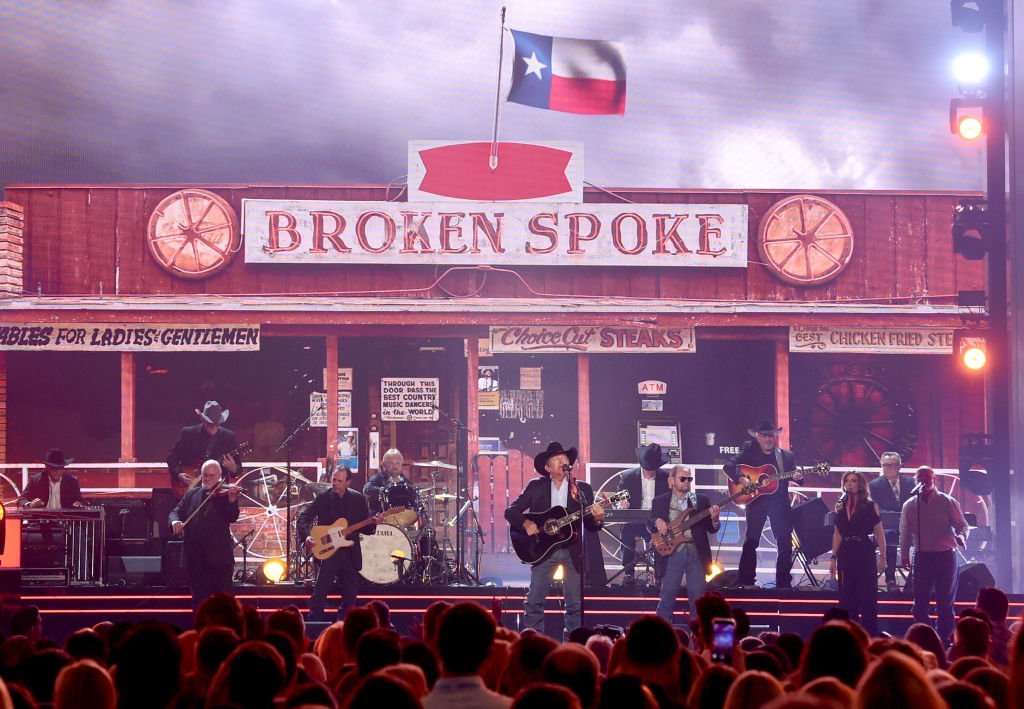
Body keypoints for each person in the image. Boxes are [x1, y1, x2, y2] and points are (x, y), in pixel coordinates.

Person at [505, 441, 605, 639]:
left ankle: (573, 647)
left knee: (575, 605)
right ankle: (533, 645)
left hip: (574, 551)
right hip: (542, 550)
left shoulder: (582, 489)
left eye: (565, 458)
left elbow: (591, 525)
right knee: (534, 602)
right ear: (547, 467)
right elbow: (511, 511)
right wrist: (526, 523)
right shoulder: (536, 487)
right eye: (557, 459)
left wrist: (599, 518)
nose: (563, 461)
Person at [723, 420, 803, 588]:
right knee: (751, 541)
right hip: (756, 501)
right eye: (764, 436)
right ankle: (746, 581)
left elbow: (797, 478)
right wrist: (742, 479)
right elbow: (728, 466)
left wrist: (798, 477)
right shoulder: (749, 449)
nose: (768, 439)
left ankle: (783, 583)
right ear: (757, 436)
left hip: (779, 503)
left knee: (784, 542)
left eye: (771, 436)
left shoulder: (786, 456)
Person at [297, 465, 378, 622]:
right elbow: (303, 517)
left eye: (339, 481)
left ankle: (344, 624)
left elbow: (366, 529)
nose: (334, 483)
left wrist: (374, 523)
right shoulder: (322, 498)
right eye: (333, 480)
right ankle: (315, 624)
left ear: (348, 482)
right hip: (328, 551)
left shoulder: (358, 499)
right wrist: (307, 536)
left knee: (350, 595)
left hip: (350, 552)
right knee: (320, 592)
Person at [900, 465, 970, 644]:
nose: (923, 480)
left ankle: (944, 639)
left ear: (934, 480)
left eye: (927, 476)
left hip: (945, 556)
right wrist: (905, 555)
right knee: (920, 604)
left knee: (944, 603)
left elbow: (963, 525)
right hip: (922, 556)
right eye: (920, 477)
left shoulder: (947, 501)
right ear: (915, 481)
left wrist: (961, 536)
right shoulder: (910, 505)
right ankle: (925, 639)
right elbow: (905, 532)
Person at [650, 465, 720, 623]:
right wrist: (657, 521)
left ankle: (699, 639)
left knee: (698, 601)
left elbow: (711, 529)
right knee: (667, 598)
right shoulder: (660, 501)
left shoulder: (700, 500)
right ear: (671, 480)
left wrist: (715, 519)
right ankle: (662, 635)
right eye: (683, 478)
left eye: (689, 479)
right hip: (672, 552)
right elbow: (649, 523)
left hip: (696, 552)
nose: (687, 481)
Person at [169, 459, 240, 608]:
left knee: (226, 605)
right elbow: (175, 512)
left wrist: (232, 500)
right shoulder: (192, 494)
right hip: (195, 560)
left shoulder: (224, 495)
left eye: (211, 476)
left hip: (219, 560)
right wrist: (174, 521)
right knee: (200, 604)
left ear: (220, 476)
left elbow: (231, 517)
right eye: (205, 475)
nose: (207, 479)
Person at [829, 471, 886, 636]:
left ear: (860, 484)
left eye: (853, 481)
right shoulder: (840, 506)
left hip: (863, 549)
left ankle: (869, 634)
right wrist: (833, 557)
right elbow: (837, 533)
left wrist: (883, 557)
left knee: (867, 595)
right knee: (847, 594)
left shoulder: (870, 505)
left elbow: (879, 532)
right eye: (846, 481)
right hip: (846, 551)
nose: (849, 484)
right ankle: (849, 634)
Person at [615, 443, 671, 584]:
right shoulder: (628, 477)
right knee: (626, 532)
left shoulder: (665, 478)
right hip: (634, 520)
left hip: (655, 520)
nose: (648, 472)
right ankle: (628, 572)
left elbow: (670, 500)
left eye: (651, 469)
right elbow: (618, 497)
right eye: (646, 468)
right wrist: (622, 504)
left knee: (663, 535)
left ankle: (659, 573)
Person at [167, 401, 241, 495]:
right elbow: (171, 457)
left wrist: (233, 468)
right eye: (210, 422)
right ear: (202, 419)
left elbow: (238, 469)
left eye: (216, 422)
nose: (213, 425)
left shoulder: (228, 437)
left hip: (217, 491)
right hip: (191, 490)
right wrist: (179, 474)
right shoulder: (188, 434)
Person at [868, 451, 914, 591]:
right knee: (890, 536)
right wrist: (897, 516)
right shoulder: (875, 485)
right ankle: (890, 579)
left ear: (899, 466)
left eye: (893, 465)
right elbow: (876, 508)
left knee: (923, 539)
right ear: (881, 466)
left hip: (909, 526)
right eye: (886, 465)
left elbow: (915, 504)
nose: (889, 468)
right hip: (887, 526)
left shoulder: (910, 482)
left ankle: (913, 580)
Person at [362, 448, 425, 525]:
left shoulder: (407, 483)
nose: (395, 466)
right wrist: (386, 491)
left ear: (401, 464)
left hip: (402, 523)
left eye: (397, 463)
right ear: (384, 464)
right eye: (391, 463)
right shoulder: (377, 478)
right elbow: (366, 489)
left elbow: (417, 505)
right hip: (379, 523)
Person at [19, 449, 85, 509]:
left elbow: (79, 500)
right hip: (41, 518)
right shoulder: (35, 480)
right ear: (47, 467)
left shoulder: (72, 481)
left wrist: (78, 503)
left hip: (64, 519)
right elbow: (22, 499)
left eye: (60, 468)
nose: (58, 471)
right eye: (54, 468)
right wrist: (30, 504)